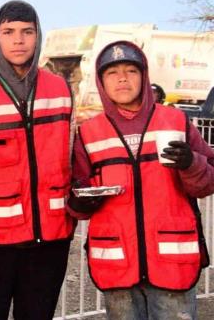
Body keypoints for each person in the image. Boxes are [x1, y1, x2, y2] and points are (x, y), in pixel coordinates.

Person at [67, 40, 214, 320]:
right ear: (101, 81)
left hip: (173, 262)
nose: (122, 78)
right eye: (112, 72)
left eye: (131, 70)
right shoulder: (88, 133)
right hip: (117, 263)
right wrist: (83, 200)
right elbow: (76, 200)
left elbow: (206, 183)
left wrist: (190, 164)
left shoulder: (176, 121)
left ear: (144, 77)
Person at [0, 0, 75, 320]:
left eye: (27, 32)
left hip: (49, 241)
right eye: (9, 32)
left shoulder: (61, 89)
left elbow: (73, 157)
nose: (18, 40)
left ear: (38, 36)